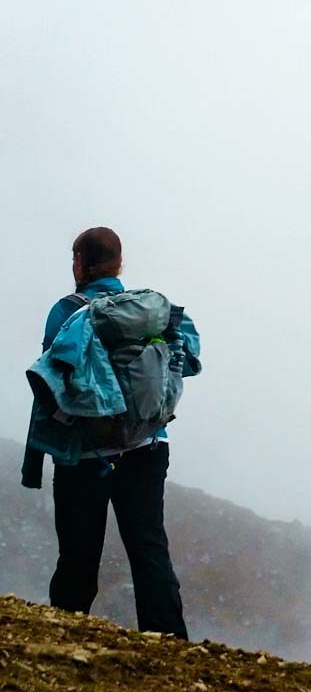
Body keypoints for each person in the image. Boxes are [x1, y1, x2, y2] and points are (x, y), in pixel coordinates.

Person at [21, 227, 190, 639]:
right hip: (148, 447)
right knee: (148, 547)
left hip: (85, 453)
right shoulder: (148, 312)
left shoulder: (69, 311)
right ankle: (168, 641)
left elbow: (54, 379)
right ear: (119, 263)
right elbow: (182, 363)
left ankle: (67, 637)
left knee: (79, 554)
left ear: (80, 262)